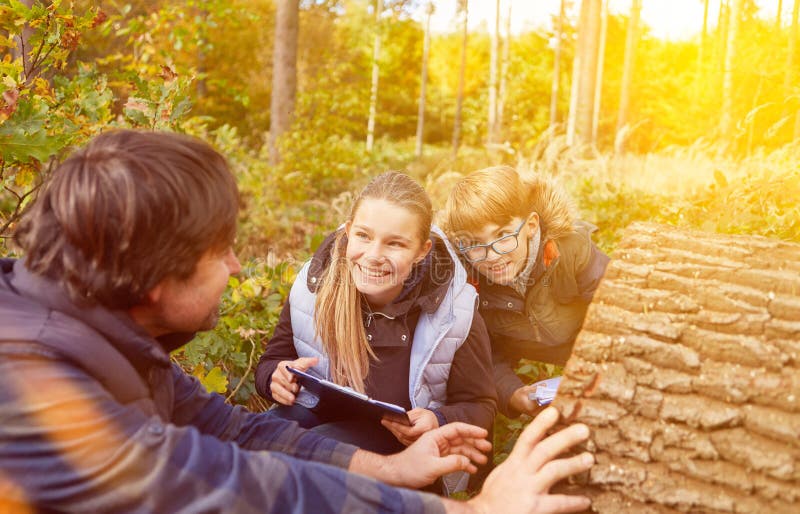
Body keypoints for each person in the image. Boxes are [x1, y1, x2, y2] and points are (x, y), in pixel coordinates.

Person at [0, 130, 594, 513]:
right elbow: (235, 487)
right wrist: (473, 512)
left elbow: (236, 432)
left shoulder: (104, 340)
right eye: (221, 250)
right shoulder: (26, 379)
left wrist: (392, 467)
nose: (236, 265)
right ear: (156, 272)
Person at [255, 172, 496, 480]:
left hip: (402, 450)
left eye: (395, 243)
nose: (373, 256)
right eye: (363, 236)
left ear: (422, 251)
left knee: (313, 458)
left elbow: (481, 406)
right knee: (259, 441)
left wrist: (438, 419)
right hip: (318, 413)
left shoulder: (454, 310)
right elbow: (273, 361)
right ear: (347, 233)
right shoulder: (312, 287)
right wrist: (275, 378)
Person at [442, 166, 609, 419]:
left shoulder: (572, 251)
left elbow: (617, 313)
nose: (492, 255)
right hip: (537, 357)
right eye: (475, 244)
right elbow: (486, 355)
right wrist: (512, 392)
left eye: (503, 235)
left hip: (592, 348)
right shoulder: (468, 283)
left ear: (531, 225)